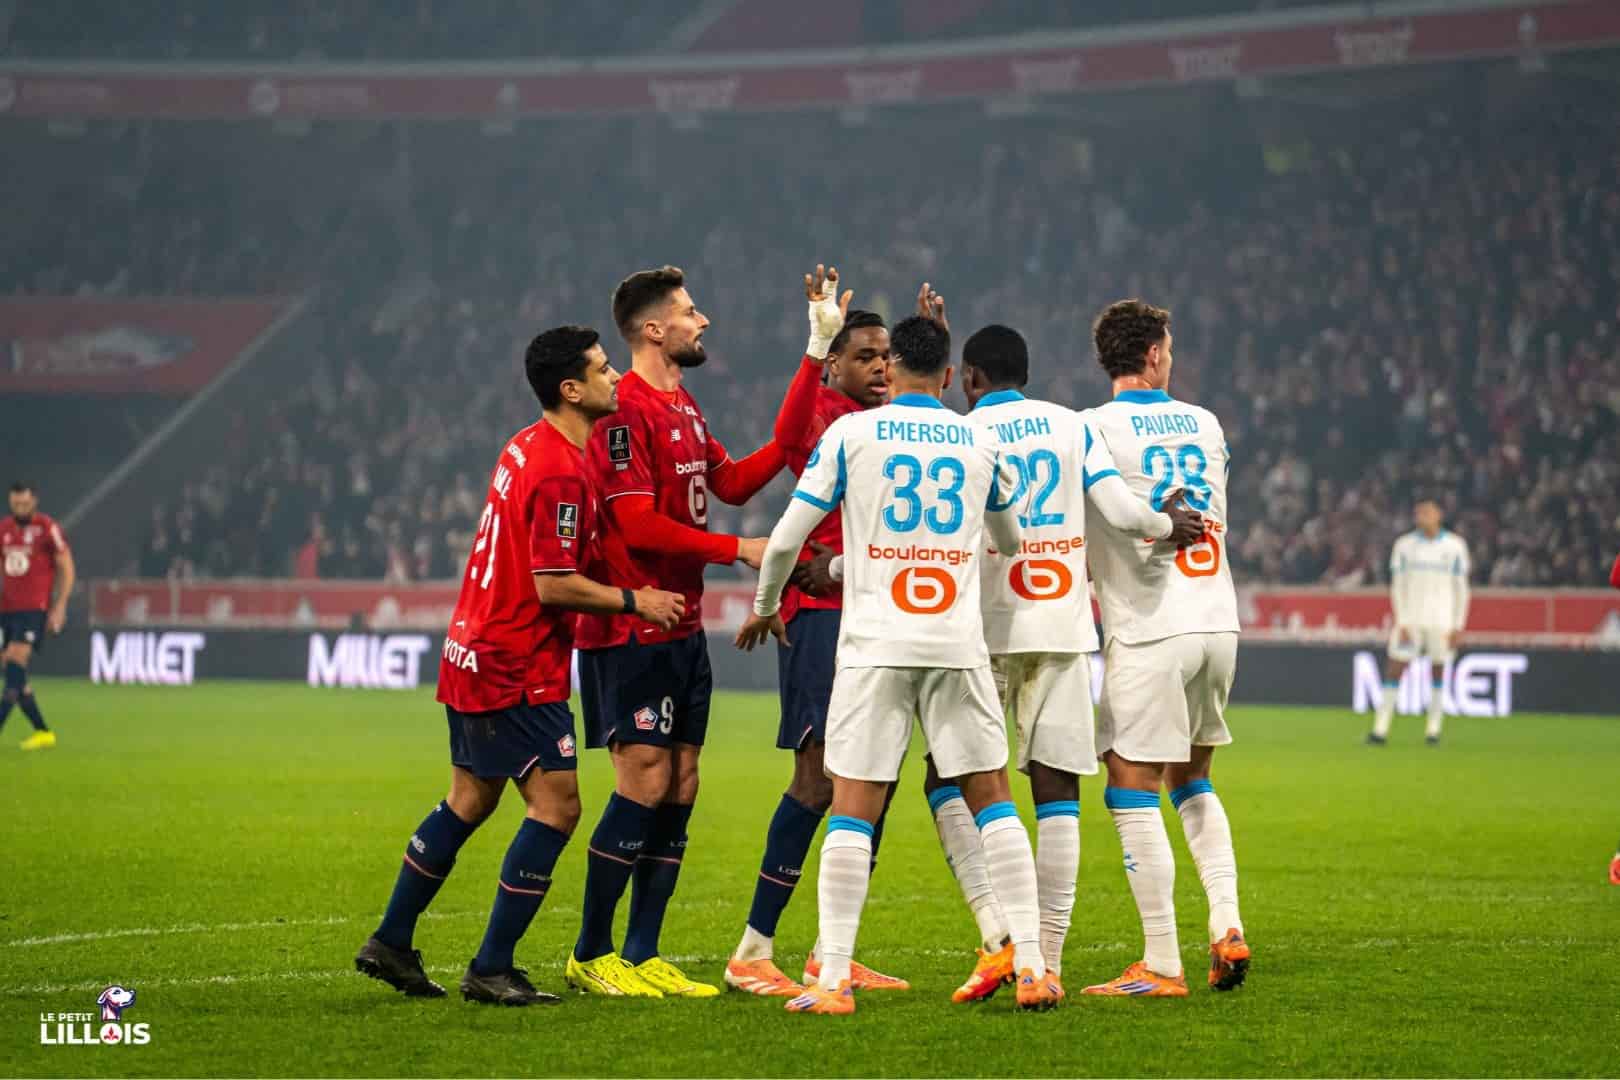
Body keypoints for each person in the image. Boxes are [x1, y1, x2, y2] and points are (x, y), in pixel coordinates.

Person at [738, 314, 1061, 1015]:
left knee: (853, 804)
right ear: (948, 377)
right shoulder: (979, 438)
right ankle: (1033, 965)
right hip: (954, 641)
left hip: (876, 645)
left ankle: (832, 983)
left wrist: (767, 602)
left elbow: (791, 534)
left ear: (894, 371)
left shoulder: (852, 435)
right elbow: (1008, 536)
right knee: (993, 798)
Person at [354, 326, 683, 1006]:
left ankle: (391, 938)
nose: (615, 377)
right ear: (571, 389)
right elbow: (551, 582)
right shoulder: (561, 468)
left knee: (470, 799)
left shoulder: (527, 444)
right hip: (514, 660)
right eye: (600, 369)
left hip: (472, 648)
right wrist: (635, 600)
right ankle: (492, 967)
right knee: (558, 806)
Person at [915, 323, 1202, 1002]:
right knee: (1057, 792)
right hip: (1064, 626)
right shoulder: (1072, 428)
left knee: (949, 777)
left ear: (970, 380)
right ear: (1027, 373)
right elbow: (1122, 511)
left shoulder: (964, 436)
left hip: (981, 629)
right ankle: (1048, 960)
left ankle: (1001, 937)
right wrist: (1168, 526)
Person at [566, 266, 805, 999]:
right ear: (652, 329)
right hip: (630, 627)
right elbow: (636, 523)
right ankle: (591, 951)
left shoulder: (685, 408)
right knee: (641, 779)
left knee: (680, 782)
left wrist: (800, 448)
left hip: (682, 626)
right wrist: (741, 551)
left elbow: (730, 483)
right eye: (691, 312)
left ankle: (643, 953)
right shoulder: (624, 408)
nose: (704, 322)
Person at [725, 270, 909, 996]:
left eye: (888, 356)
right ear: (836, 365)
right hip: (823, 621)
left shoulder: (888, 423)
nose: (881, 367)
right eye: (865, 356)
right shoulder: (825, 415)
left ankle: (832, 950)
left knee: (873, 782)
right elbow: (782, 433)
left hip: (880, 615)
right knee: (818, 777)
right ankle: (753, 948)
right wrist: (814, 342)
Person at [1079, 299, 1249, 997]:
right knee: (1195, 779)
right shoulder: (1206, 424)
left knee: (1129, 783)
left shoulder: (1091, 427)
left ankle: (1161, 961)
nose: (1171, 357)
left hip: (1151, 625)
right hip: (1218, 619)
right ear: (1153, 355)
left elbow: (1107, 514)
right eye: (1169, 347)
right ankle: (1227, 924)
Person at [1368, 499, 1471, 746]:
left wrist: (1458, 625)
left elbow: (1461, 589)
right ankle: (1380, 730)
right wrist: (1401, 621)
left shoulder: (1455, 546)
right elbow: (1398, 586)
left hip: (1442, 621)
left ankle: (1433, 730)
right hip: (1411, 620)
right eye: (1418, 512)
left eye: (1427, 511)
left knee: (1438, 670)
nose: (1421, 515)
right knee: (1395, 668)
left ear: (1439, 515)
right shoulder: (1404, 546)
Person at [0, 482, 74, 751]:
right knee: (15, 674)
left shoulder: (46, 528)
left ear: (35, 501)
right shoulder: (4, 529)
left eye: (24, 503)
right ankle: (43, 732)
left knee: (14, 664)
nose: (19, 508)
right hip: (6, 610)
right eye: (15, 503)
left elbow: (66, 566)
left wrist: (60, 604)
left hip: (33, 609)